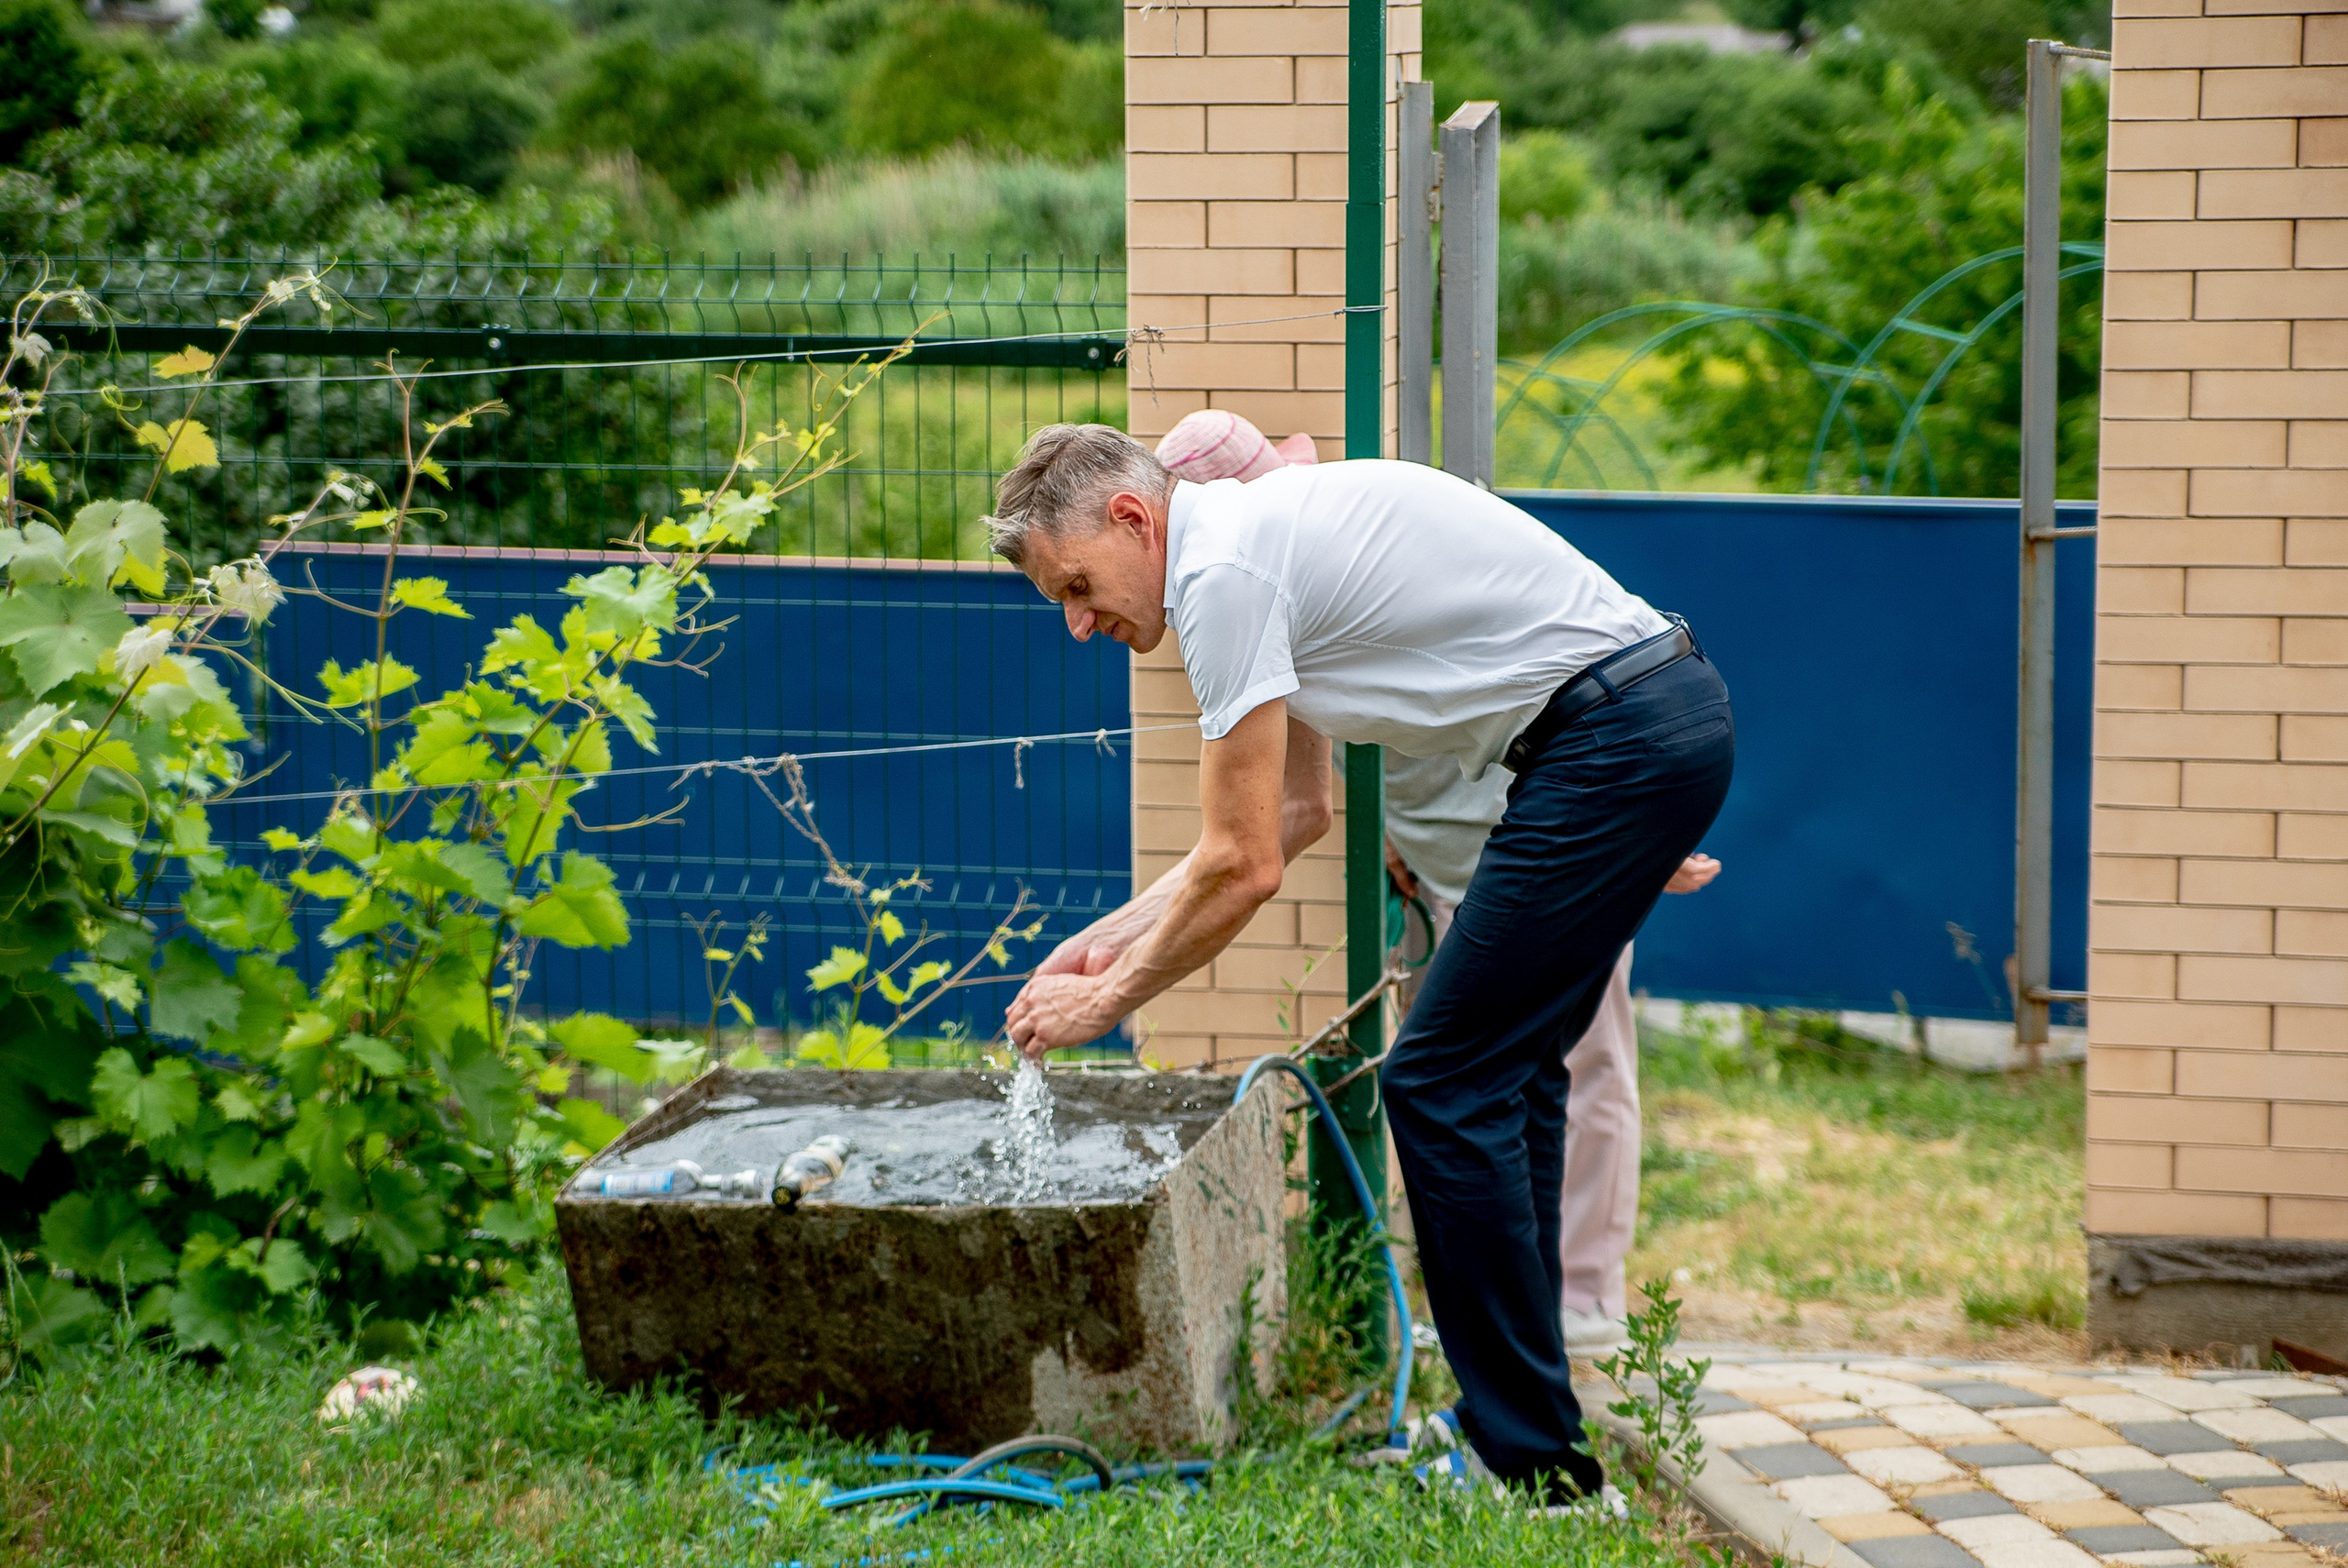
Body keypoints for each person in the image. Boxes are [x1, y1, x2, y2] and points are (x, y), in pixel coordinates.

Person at [988, 424, 1734, 1507]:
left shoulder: (1222, 575)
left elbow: (1243, 866)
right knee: (1504, 1079)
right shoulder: (1245, 548)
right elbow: (1298, 812)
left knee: (1438, 1082)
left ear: (1133, 519)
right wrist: (1116, 935)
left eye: (1076, 584)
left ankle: (1532, 1458)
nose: (1076, 621)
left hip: (1613, 741)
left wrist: (1109, 997)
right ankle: (1524, 1440)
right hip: (1635, 726)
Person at [1152, 408, 1724, 1357]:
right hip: (1466, 856)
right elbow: (1323, 793)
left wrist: (1630, 838)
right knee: (1498, 1078)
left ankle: (1578, 1304)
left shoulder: (1286, 569)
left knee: (1549, 1069)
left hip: (1559, 826)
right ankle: (1519, 1335)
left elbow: (1532, 678)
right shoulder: (1279, 600)